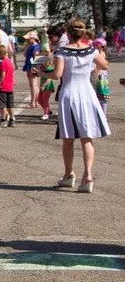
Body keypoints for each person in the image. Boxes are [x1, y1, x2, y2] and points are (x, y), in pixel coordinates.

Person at [54, 18, 110, 193]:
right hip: (87, 94)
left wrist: (40, 71)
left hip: (69, 95)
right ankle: (88, 176)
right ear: (83, 33)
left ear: (68, 33)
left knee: (68, 138)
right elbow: (104, 64)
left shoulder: (62, 51)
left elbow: (57, 75)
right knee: (87, 138)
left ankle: (69, 174)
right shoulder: (92, 50)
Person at [0, 44, 16, 127]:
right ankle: (12, 120)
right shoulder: (10, 62)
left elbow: (3, 75)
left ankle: (3, 119)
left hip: (3, 87)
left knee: (2, 106)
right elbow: (10, 74)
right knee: (10, 106)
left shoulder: (3, 62)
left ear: (0, 53)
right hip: (10, 87)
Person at [22, 31, 42, 109]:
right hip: (31, 66)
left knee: (33, 85)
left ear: (33, 38)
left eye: (28, 39)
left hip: (32, 66)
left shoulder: (35, 46)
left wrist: (35, 67)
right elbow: (24, 54)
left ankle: (33, 102)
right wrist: (27, 44)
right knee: (35, 85)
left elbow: (36, 56)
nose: (27, 40)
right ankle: (35, 102)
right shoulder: (33, 45)